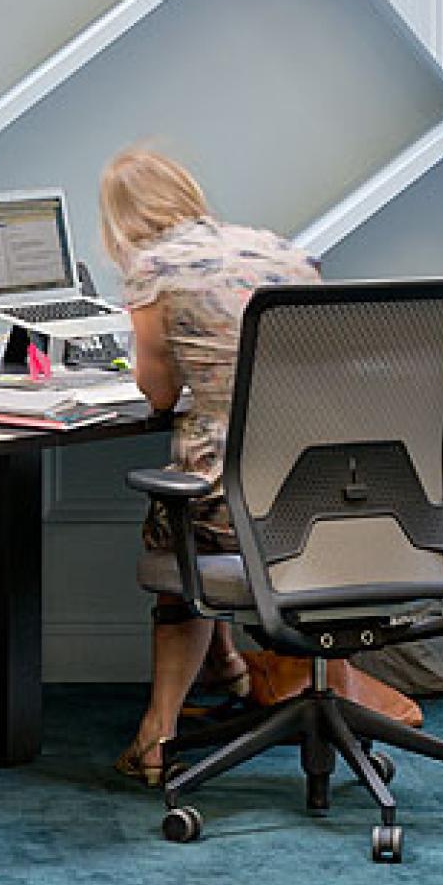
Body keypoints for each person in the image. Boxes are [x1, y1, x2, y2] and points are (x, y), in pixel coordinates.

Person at [100, 146, 319, 790]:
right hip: (316, 499)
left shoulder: (151, 270)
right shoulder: (280, 251)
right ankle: (224, 671)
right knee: (193, 514)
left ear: (121, 221)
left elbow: (158, 394)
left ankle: (157, 734)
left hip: (234, 508)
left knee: (181, 515)